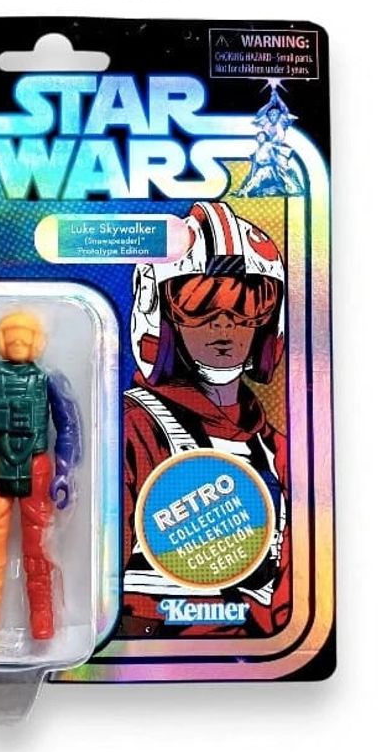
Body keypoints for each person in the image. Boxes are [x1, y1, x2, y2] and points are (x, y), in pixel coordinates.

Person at [123, 201, 290, 637]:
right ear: (160, 313)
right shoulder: (134, 429)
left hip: (253, 656)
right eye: (199, 306)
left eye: (247, 309)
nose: (224, 327)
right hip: (143, 646)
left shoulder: (276, 450)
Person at [0, 311, 80, 643]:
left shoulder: (49, 380)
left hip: (37, 467)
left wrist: (64, 471)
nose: (18, 341)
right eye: (11, 335)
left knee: (39, 546)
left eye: (25, 335)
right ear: (0, 340)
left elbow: (68, 428)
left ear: (38, 341)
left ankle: (42, 614)